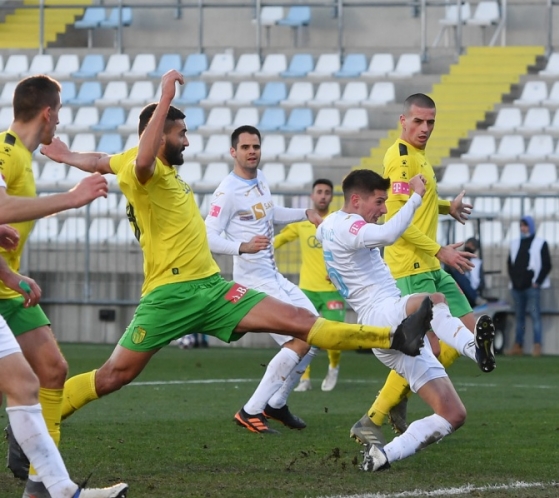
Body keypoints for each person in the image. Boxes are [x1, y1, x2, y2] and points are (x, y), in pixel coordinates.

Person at [37, 70, 430, 428]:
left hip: (211, 288)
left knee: (300, 322)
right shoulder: (144, 172)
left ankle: (392, 338)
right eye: (180, 134)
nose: (186, 140)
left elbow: (101, 159)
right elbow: (140, 158)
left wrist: (67, 156)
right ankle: (40, 422)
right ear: (158, 137)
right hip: (168, 296)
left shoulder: (146, 165)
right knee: (113, 376)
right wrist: (163, 97)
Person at [317, 169, 495, 471]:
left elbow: (323, 232)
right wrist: (416, 196)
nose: (384, 210)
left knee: (453, 414)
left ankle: (383, 455)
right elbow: (388, 234)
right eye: (380, 202)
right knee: (434, 300)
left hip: (386, 332)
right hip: (383, 315)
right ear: (357, 201)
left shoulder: (330, 226)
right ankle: (473, 347)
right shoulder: (348, 226)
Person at [0, 76, 127, 496]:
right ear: (48, 112)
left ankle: (43, 487)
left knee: (51, 370)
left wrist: (11, 275)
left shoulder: (23, 156)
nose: (59, 121)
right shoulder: (5, 149)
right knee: (26, 383)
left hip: (7, 289)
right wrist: (71, 197)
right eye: (59, 113)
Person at [350, 93, 478, 445]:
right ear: (402, 121)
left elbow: (415, 204)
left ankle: (399, 398)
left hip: (431, 265)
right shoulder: (402, 159)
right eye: (418, 121)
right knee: (431, 349)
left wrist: (443, 208)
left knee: (471, 332)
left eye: (431, 122)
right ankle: (374, 416)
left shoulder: (418, 157)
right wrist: (440, 250)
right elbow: (399, 220)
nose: (425, 128)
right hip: (411, 266)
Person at [205, 125, 322, 434]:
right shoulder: (227, 191)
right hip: (255, 284)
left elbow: (270, 214)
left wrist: (304, 213)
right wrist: (241, 247)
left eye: (255, 146)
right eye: (245, 147)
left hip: (273, 275)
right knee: (300, 339)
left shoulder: (261, 180)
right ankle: (251, 410)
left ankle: (277, 404)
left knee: (317, 333)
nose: (252, 151)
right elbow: (209, 237)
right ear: (233, 152)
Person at [274, 178, 346, 392]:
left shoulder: (337, 222)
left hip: (332, 289)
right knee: (303, 335)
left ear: (331, 197)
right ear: (312, 196)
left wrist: (339, 272)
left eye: (326, 192)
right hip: (307, 290)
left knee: (333, 338)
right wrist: (259, 249)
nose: (323, 195)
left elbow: (349, 250)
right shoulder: (302, 223)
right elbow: (281, 239)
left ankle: (333, 367)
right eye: (319, 192)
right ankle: (304, 377)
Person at [507, 215, 552, 357]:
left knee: (535, 316)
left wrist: (537, 281)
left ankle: (537, 345)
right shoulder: (514, 243)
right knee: (519, 316)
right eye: (521, 226)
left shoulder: (541, 243)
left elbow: (547, 265)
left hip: (531, 287)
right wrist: (514, 280)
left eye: (525, 226)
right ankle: (518, 345)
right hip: (517, 287)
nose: (523, 228)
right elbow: (510, 263)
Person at [444, 236, 485, 308]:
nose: (469, 247)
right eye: (468, 244)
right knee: (460, 274)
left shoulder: (478, 263)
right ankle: (475, 298)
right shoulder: (457, 258)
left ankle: (475, 297)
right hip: (459, 291)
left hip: (473, 291)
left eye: (472, 246)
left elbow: (481, 282)